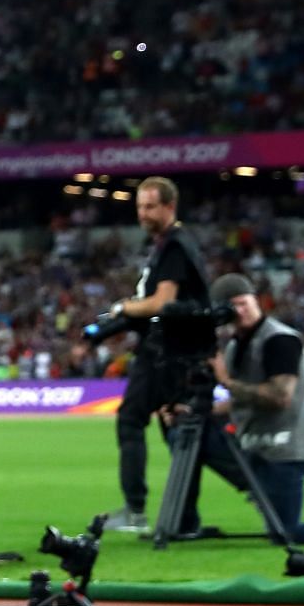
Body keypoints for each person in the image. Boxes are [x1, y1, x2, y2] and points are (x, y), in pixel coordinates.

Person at [101, 176, 214, 533]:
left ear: (170, 206)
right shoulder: (171, 245)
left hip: (166, 354)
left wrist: (123, 309)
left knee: (132, 419)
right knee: (175, 431)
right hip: (177, 353)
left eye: (150, 206)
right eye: (139, 207)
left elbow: (163, 302)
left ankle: (136, 510)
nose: (143, 214)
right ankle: (184, 518)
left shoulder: (175, 246)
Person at [204, 273, 304, 543]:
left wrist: (226, 382)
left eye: (244, 302)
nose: (241, 311)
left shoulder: (280, 340)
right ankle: (256, 487)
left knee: (285, 533)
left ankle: (259, 488)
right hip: (260, 443)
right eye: (232, 306)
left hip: (288, 446)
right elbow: (246, 398)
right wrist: (204, 411)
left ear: (257, 301)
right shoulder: (236, 346)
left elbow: (280, 396)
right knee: (198, 436)